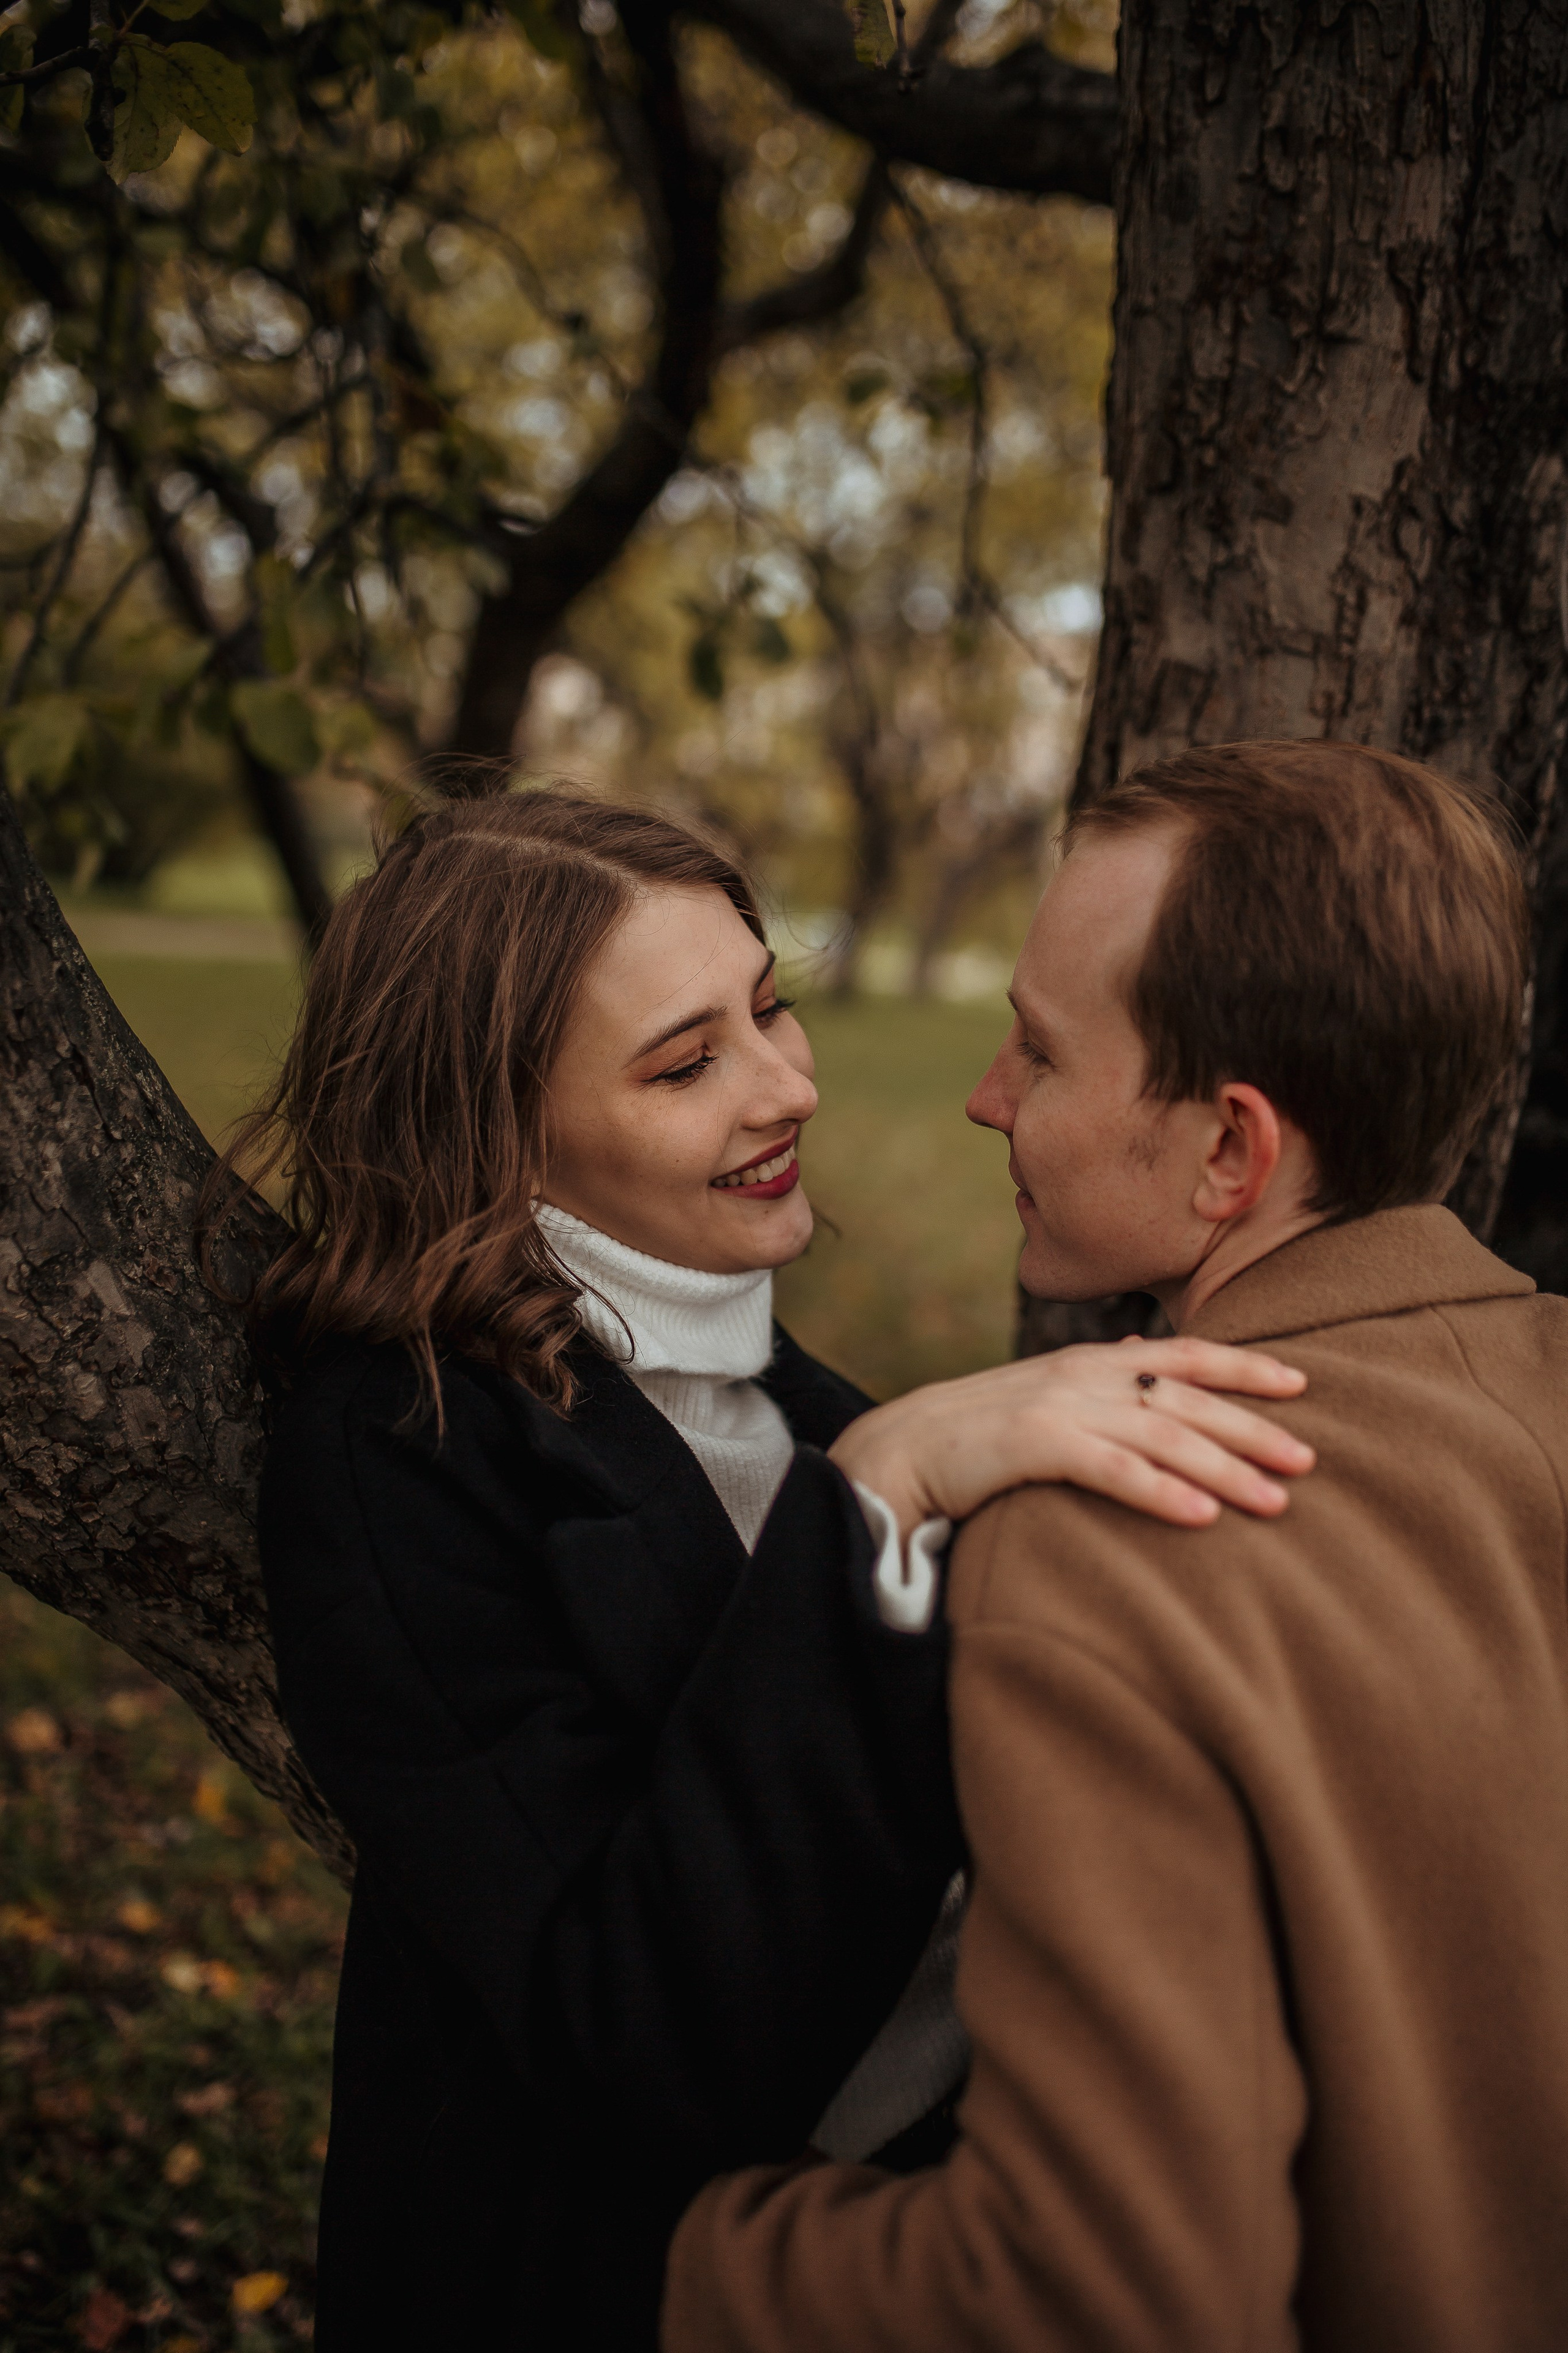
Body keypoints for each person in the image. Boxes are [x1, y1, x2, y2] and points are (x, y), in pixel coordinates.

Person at [218, 788, 1310, 2349]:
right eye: (687, 1062)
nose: (786, 1082)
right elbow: (636, 2037)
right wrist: (873, 1506)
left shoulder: (758, 1388)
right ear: (489, 1124)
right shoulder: (398, 1459)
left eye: (768, 1006)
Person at [663, 741, 1568, 2353]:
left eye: (1041, 1050)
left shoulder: (1110, 1548)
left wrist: (702, 2252)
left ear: (1231, 1150)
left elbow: (1093, 2292)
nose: (985, 1095)